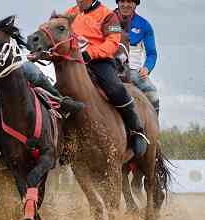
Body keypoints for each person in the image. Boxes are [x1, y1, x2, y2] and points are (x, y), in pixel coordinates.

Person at [61, 0, 149, 157]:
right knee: (55, 93)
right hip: (74, 63)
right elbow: (58, 35)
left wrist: (90, 53)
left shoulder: (108, 16)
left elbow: (113, 42)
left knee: (116, 89)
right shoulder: (69, 13)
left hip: (99, 62)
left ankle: (137, 130)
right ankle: (58, 139)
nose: (79, 0)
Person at [115, 0, 159, 114]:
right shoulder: (106, 20)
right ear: (117, 2)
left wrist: (146, 68)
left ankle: (153, 129)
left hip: (133, 70)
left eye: (129, 1)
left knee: (152, 93)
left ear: (136, 3)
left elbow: (151, 54)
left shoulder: (144, 25)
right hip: (108, 66)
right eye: (122, 1)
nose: (125, 5)